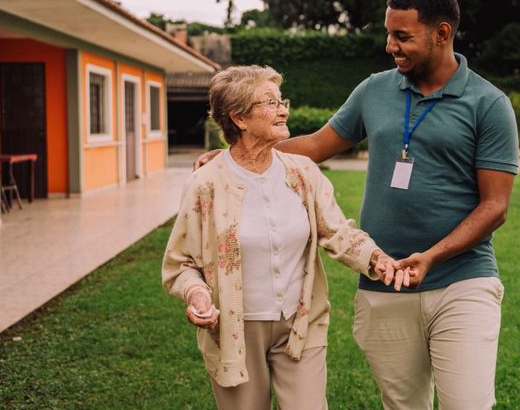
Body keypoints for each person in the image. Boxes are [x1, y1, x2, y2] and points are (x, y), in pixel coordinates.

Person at [196, 0, 518, 409]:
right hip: (383, 284)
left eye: (402, 36)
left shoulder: (488, 104)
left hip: (462, 281)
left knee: (467, 404)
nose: (390, 45)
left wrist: (431, 257)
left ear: (442, 34)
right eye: (388, 33)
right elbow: (315, 146)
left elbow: (495, 207)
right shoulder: (375, 90)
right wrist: (236, 152)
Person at [162, 65, 407, 410]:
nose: (283, 110)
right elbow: (181, 263)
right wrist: (197, 293)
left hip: (300, 321)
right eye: (270, 103)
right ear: (239, 118)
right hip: (236, 328)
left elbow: (337, 230)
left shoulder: (302, 172)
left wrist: (376, 259)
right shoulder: (206, 184)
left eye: (281, 100)